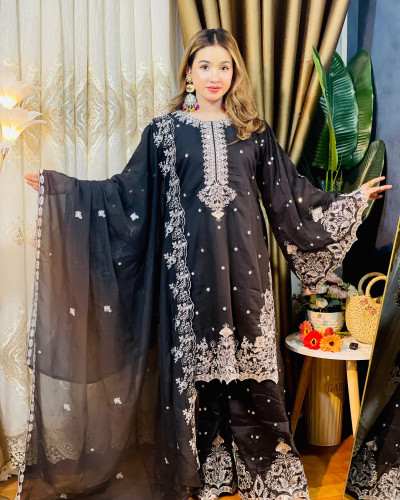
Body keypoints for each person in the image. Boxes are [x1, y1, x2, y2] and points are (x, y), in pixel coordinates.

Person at [21, 28, 391, 500]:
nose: (214, 76)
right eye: (205, 66)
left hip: (247, 272)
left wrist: (352, 200)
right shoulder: (164, 132)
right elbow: (124, 194)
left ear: (235, 73)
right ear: (189, 73)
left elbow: (291, 199)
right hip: (188, 275)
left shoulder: (254, 132)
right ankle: (203, 472)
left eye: (224, 67)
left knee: (250, 368)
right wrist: (63, 189)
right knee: (196, 373)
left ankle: (264, 472)